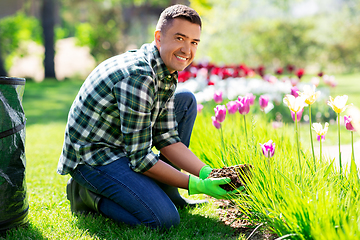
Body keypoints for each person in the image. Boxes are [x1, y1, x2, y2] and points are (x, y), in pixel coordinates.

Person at [57, 4, 241, 230]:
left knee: (185, 101)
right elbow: (141, 158)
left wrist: (207, 173)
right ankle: (86, 195)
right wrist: (196, 184)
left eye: (194, 42)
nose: (187, 49)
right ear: (159, 38)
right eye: (180, 38)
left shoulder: (164, 70)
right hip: (94, 158)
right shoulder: (139, 76)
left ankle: (167, 192)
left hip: (121, 146)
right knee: (163, 219)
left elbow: (167, 138)